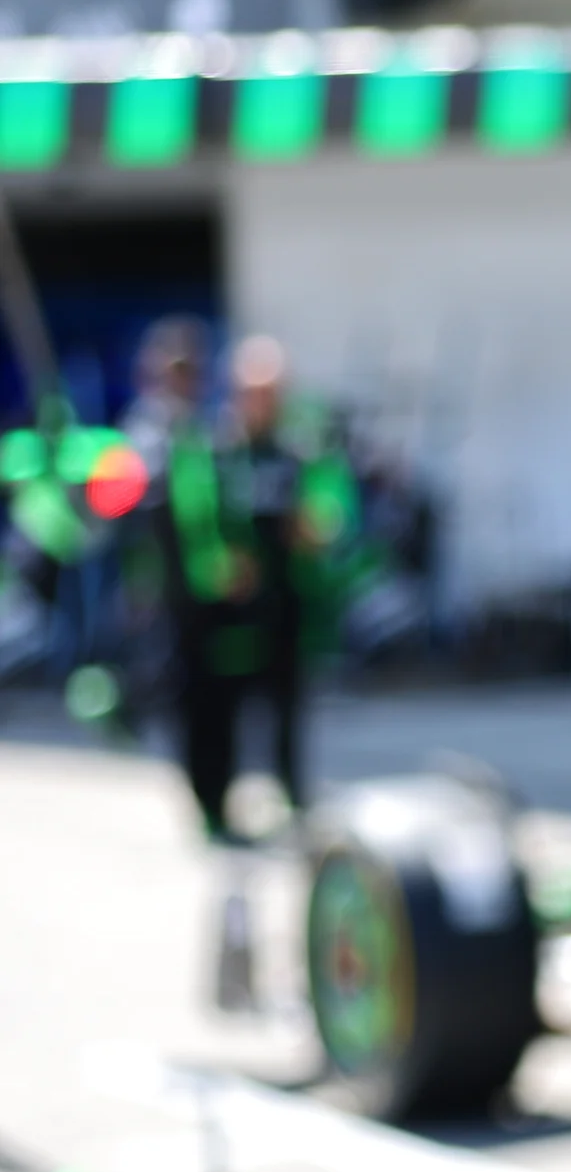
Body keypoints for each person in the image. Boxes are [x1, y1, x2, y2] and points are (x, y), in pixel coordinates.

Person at [158, 335, 354, 842]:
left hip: (282, 605)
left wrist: (319, 526)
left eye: (273, 393)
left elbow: (330, 502)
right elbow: (193, 517)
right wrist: (220, 566)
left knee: (287, 706)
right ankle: (213, 808)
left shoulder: (297, 452)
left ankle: (293, 798)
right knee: (213, 712)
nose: (263, 403)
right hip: (220, 612)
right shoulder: (211, 450)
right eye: (254, 392)